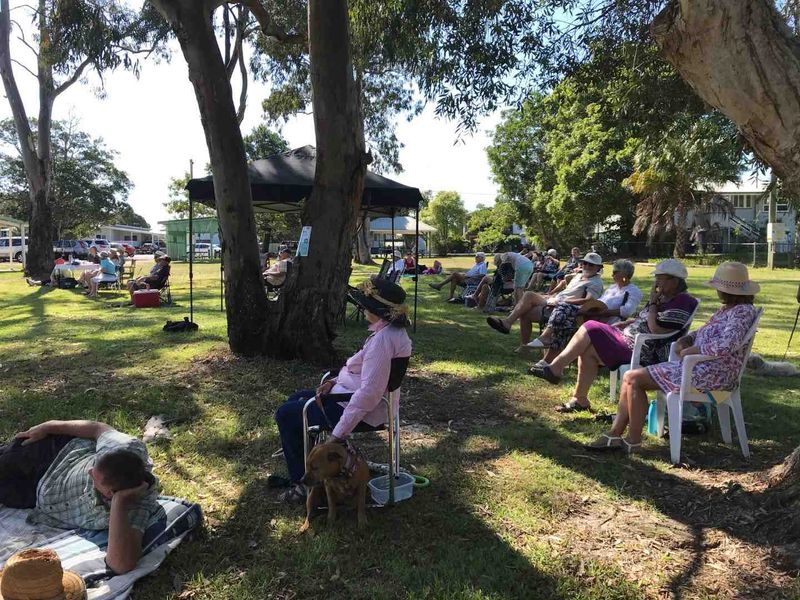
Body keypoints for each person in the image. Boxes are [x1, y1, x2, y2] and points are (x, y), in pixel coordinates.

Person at [585, 262, 759, 454]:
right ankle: (617, 435)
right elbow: (703, 331)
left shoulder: (741, 312)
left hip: (712, 372)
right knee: (631, 378)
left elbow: (727, 345)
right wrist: (687, 338)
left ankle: (629, 439)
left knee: (633, 378)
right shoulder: (728, 309)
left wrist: (692, 350)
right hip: (700, 367)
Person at [274, 277, 413, 503]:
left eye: (365, 305)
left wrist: (338, 435)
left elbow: (368, 395)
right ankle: (309, 466)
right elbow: (358, 369)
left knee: (286, 414)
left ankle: (303, 486)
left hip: (359, 409)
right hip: (347, 397)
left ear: (374, 309)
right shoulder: (388, 333)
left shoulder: (383, 341)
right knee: (295, 399)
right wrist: (334, 380)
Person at [530, 258, 697, 413]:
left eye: (660, 278)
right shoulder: (664, 297)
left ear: (674, 281)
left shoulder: (683, 301)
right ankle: (579, 399)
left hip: (646, 350)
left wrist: (653, 303)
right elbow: (643, 319)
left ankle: (556, 367)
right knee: (587, 351)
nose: (656, 282)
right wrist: (626, 323)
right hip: (628, 338)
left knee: (590, 327)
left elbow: (656, 330)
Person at [0, 420, 163, 574]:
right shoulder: (125, 448)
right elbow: (96, 428)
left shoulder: (134, 507)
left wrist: (119, 502)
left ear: (110, 493)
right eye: (94, 466)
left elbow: (120, 565)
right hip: (55, 453)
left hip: (35, 493)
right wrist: (48, 427)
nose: (89, 472)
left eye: (95, 477)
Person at [527, 259, 643, 361]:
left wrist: (603, 312)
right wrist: (592, 308)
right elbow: (600, 301)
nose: (612, 274)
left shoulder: (634, 291)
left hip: (606, 321)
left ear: (624, 274)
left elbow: (627, 311)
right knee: (564, 320)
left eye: (615, 272)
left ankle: (547, 345)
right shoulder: (613, 287)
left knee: (563, 311)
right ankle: (548, 359)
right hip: (592, 314)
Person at [486, 252, 605, 343]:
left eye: (591, 265)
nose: (587, 266)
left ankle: (509, 325)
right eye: (585, 263)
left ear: (598, 268)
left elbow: (589, 301)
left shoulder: (595, 282)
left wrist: (563, 300)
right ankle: (519, 339)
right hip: (555, 300)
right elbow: (566, 280)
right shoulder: (579, 276)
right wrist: (552, 293)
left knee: (527, 302)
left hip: (564, 307)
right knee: (527, 299)